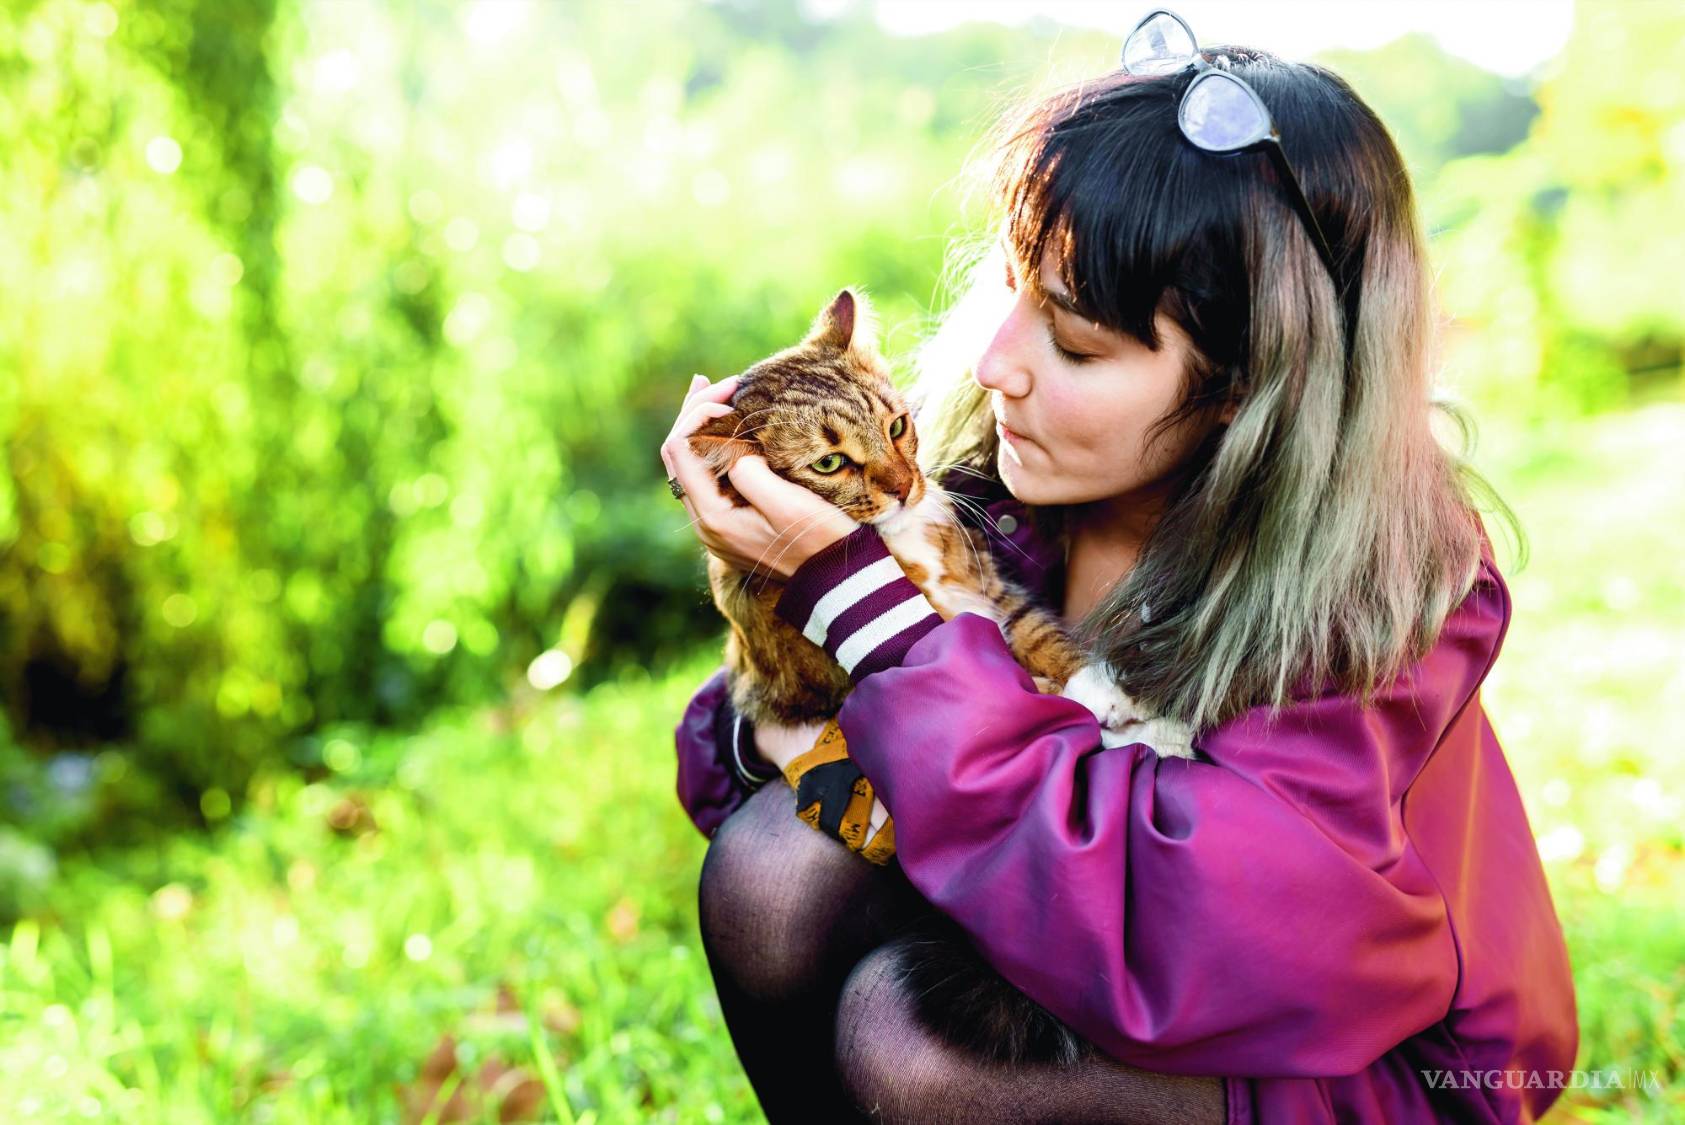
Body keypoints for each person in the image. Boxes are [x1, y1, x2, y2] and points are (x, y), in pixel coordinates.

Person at [659, 13, 1578, 1124]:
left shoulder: (1371, 600)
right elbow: (741, 765)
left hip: (1346, 1060)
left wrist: (866, 613)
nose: (997, 365)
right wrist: (779, 613)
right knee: (773, 872)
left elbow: (1173, 933)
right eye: (1007, 290)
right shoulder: (1010, 504)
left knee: (918, 1050)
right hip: (1094, 944)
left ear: (1247, 384)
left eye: (1077, 344)